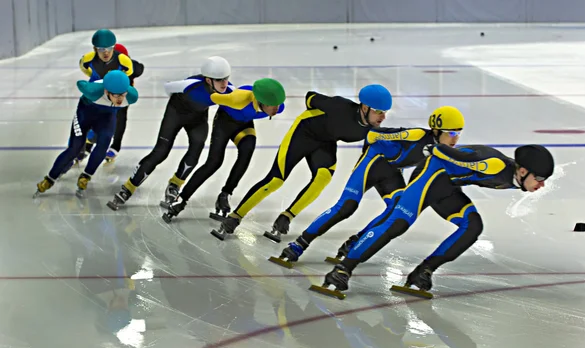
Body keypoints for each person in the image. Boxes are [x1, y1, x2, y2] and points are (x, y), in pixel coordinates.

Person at [309, 143, 555, 300]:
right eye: (540, 178)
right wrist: (434, 148)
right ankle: (342, 270)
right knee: (399, 223)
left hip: (446, 187)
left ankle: (422, 272)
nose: (541, 184)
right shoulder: (494, 166)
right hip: (430, 174)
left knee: (472, 225)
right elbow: (452, 154)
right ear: (522, 171)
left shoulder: (512, 178)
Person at [269, 106, 465, 269]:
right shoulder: (416, 135)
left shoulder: (441, 152)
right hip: (373, 163)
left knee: (396, 210)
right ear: (437, 130)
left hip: (391, 172)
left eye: (459, 133)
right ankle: (299, 244)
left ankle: (355, 242)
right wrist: (369, 154)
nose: (455, 139)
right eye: (452, 133)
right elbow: (372, 135)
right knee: (346, 207)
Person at [211, 84, 410, 242]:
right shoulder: (339, 107)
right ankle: (235, 217)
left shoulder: (370, 130)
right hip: (304, 132)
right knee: (276, 179)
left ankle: (286, 217)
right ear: (364, 107)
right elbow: (310, 97)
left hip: (325, 142)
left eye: (385, 113)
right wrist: (319, 119)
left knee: (323, 178)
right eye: (378, 112)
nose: (383, 118)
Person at [107, 56, 235, 211]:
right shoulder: (191, 85)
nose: (224, 83)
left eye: (226, 79)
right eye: (220, 80)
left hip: (198, 118)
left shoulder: (229, 90)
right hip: (176, 113)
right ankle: (128, 188)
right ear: (208, 80)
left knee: (197, 148)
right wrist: (177, 105)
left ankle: (175, 185)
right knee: (161, 152)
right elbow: (168, 88)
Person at [161, 78, 287, 223]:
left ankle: (225, 195)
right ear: (262, 101)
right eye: (273, 106)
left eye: (278, 104)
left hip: (244, 124)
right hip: (224, 123)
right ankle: (182, 198)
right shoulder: (238, 99)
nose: (277, 109)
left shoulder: (278, 106)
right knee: (214, 162)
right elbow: (213, 96)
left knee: (247, 151)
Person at [34, 71, 139, 197]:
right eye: (116, 96)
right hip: (85, 113)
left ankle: (86, 176)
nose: (120, 99)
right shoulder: (92, 91)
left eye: (123, 95)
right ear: (106, 91)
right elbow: (80, 83)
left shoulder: (132, 96)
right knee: (75, 148)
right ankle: (50, 179)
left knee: (103, 144)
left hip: (106, 117)